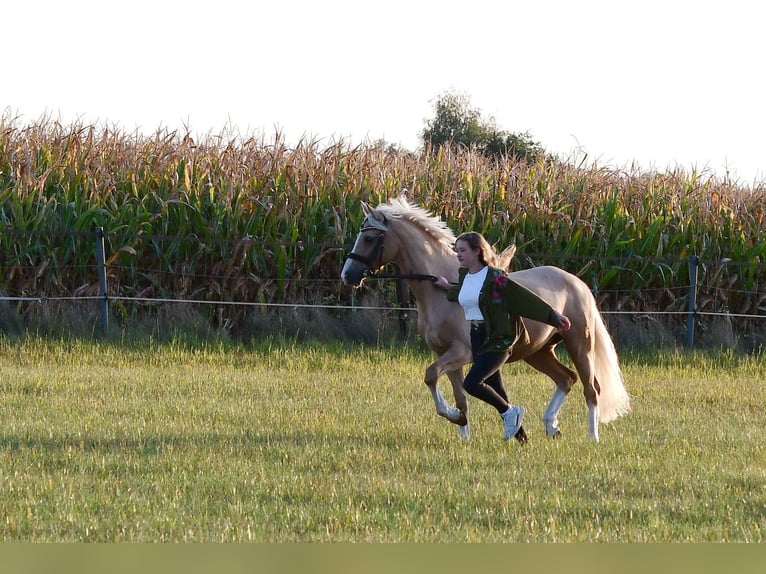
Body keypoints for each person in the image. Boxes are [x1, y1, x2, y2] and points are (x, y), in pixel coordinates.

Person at [434, 232, 571, 441]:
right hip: (477, 337)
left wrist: (553, 316)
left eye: (462, 250)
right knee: (496, 388)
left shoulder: (495, 278)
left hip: (499, 338)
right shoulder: (465, 277)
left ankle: (511, 412)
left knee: (471, 383)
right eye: (456, 250)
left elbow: (523, 299)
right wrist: (446, 287)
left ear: (477, 251)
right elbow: (463, 294)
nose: (458, 255)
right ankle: (522, 439)